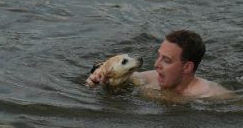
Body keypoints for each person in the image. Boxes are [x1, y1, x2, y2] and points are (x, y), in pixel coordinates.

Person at [90, 29, 231, 100]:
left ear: (187, 67)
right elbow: (119, 74)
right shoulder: (151, 78)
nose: (156, 64)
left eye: (167, 60)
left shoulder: (210, 95)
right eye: (159, 56)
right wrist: (97, 77)